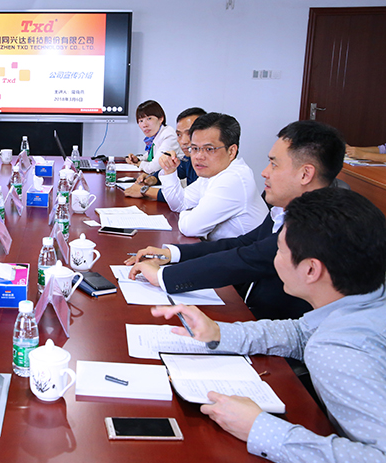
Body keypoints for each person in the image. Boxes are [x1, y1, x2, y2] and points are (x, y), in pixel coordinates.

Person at [151, 187, 386, 462]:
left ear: (311, 270)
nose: (275, 259)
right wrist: (219, 333)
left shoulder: (340, 352)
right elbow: (302, 333)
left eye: (281, 250)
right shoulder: (364, 302)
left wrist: (259, 428)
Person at [127, 120, 345, 320]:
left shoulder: (314, 227)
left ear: (305, 174)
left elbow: (247, 259)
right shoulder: (285, 209)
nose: (264, 172)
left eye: (274, 164)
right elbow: (242, 244)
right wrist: (173, 254)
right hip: (246, 304)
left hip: (271, 325)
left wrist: (164, 276)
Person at [154, 113, 267, 241]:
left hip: (241, 252)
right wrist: (169, 171)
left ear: (231, 151)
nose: (199, 156)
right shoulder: (212, 173)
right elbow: (179, 204)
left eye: (209, 149)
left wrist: (192, 212)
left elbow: (190, 227)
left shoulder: (233, 179)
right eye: (194, 148)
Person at [124, 107, 204, 201]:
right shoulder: (189, 159)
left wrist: (144, 190)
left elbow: (187, 196)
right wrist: (153, 179)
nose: (183, 141)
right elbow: (178, 170)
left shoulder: (209, 163)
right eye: (179, 134)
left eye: (190, 133)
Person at [124, 100, 183, 174]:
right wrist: (137, 159)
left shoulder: (169, 135)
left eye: (149, 118)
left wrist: (138, 164)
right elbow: (152, 156)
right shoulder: (155, 136)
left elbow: (153, 168)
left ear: (161, 119)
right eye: (141, 121)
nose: (144, 125)